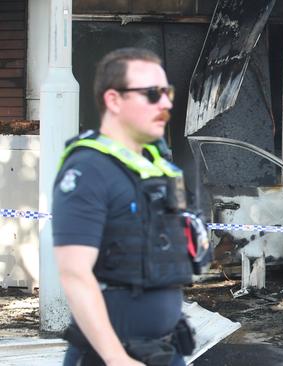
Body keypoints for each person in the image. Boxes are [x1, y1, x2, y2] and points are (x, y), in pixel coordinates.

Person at [52, 48, 202, 366]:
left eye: (166, 92)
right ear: (114, 100)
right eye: (151, 94)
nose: (165, 103)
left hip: (164, 349)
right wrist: (116, 358)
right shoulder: (88, 169)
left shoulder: (156, 166)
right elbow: (74, 273)